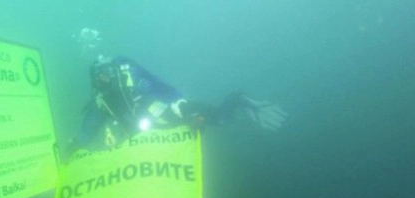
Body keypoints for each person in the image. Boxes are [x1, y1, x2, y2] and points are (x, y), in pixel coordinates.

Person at [67, 55, 288, 153]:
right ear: (95, 81)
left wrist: (180, 104)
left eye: (106, 72)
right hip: (145, 137)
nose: (105, 77)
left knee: (214, 120)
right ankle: (238, 112)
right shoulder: (101, 102)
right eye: (100, 76)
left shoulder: (130, 76)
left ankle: (239, 100)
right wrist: (74, 146)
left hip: (166, 114)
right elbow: (89, 127)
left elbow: (159, 86)